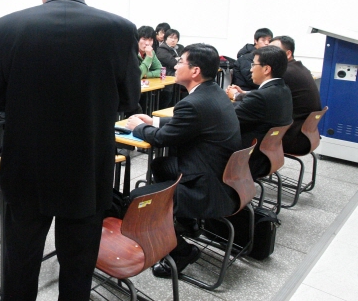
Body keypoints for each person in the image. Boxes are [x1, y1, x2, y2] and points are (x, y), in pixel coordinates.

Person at [0, 0, 141, 300]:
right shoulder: (120, 29)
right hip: (88, 166)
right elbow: (130, 100)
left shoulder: (8, 27)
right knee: (79, 266)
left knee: (20, 261)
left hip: (28, 165)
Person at [125, 43, 241, 278]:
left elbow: (160, 140)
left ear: (195, 70)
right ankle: (186, 222)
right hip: (222, 175)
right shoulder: (213, 92)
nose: (175, 66)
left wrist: (138, 127)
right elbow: (189, 123)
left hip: (206, 186)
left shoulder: (193, 103)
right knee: (160, 165)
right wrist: (154, 121)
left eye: (180, 62)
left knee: (137, 200)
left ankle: (182, 252)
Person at [231, 46, 293, 179]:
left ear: (266, 69)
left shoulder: (260, 97)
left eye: (253, 65)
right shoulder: (283, 89)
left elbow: (228, 120)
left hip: (249, 160)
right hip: (269, 155)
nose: (251, 69)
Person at [270, 36, 322, 154]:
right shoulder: (299, 68)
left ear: (288, 54)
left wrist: (238, 95)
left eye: (274, 50)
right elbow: (267, 94)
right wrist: (245, 93)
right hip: (307, 135)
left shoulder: (285, 72)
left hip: (293, 137)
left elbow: (265, 99)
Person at [157, 28, 184, 108]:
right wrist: (179, 60)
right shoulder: (161, 50)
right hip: (167, 77)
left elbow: (187, 61)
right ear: (166, 39)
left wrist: (178, 59)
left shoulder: (180, 48)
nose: (173, 40)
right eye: (171, 37)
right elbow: (174, 63)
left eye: (175, 38)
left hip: (178, 77)